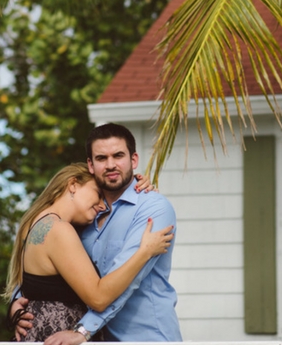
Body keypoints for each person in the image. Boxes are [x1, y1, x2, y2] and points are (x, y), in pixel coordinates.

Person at [14, 123, 182, 343]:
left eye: (118, 156)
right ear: (91, 165)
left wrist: (83, 330)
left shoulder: (152, 208)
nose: (111, 164)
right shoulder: (84, 218)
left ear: (133, 160)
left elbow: (128, 281)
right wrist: (16, 302)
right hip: (99, 338)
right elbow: (47, 268)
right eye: (102, 158)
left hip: (147, 338)